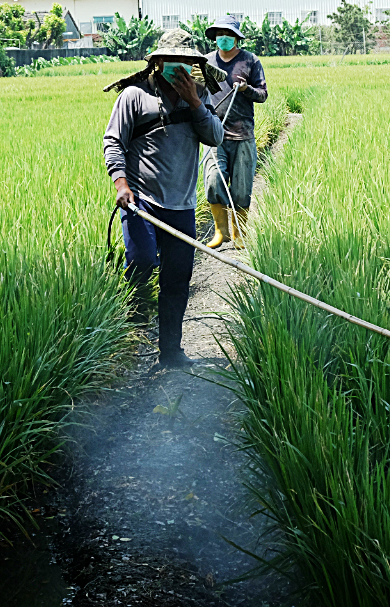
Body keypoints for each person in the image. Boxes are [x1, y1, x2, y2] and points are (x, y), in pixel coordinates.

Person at [103, 30, 226, 368]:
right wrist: (121, 185)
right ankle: (131, 319)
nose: (178, 69)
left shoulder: (199, 96)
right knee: (142, 260)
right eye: (171, 63)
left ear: (193, 65)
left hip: (182, 204)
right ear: (157, 64)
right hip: (140, 200)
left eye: (184, 63)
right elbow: (113, 142)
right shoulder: (134, 96)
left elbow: (216, 137)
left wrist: (196, 102)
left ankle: (171, 352)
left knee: (177, 280)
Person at [203, 15, 269, 249]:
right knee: (213, 182)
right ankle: (221, 232)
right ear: (215, 37)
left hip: (242, 134)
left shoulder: (251, 61)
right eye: (220, 34)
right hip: (214, 134)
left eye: (228, 34)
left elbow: (262, 94)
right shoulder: (206, 62)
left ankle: (240, 233)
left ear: (236, 38)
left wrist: (245, 89)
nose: (223, 38)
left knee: (242, 189)